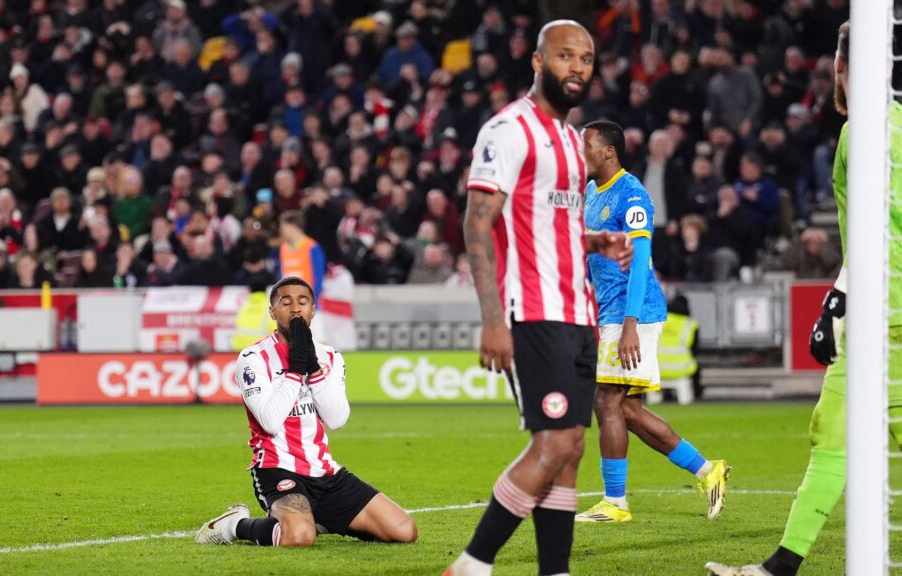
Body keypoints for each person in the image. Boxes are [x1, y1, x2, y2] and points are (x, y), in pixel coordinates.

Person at [706, 21, 902, 576]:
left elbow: (871, 232)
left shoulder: (857, 133)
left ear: (840, 67)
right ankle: (783, 566)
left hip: (876, 311)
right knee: (846, 436)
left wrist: (837, 301)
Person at [446, 20, 633, 576]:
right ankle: (472, 565)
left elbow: (557, 222)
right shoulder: (507, 130)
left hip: (579, 314)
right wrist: (492, 321)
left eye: (586, 58)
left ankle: (555, 570)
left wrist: (595, 240)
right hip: (531, 312)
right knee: (553, 444)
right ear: (537, 61)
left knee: (572, 448)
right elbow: (478, 223)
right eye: (565, 55)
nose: (577, 67)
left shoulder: (575, 145)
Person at [574, 120, 729, 524]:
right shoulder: (591, 192)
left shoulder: (632, 194)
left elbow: (641, 259)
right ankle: (707, 470)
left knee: (606, 400)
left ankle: (615, 502)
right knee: (626, 410)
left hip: (633, 311)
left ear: (609, 151)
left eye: (586, 145)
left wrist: (630, 323)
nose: (579, 151)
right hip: (609, 310)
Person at [196, 276, 417, 547]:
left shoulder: (330, 357)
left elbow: (337, 419)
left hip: (324, 471)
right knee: (299, 537)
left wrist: (312, 368)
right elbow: (269, 421)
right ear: (273, 312)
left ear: (312, 311)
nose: (295, 308)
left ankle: (317, 518)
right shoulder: (253, 358)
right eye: (285, 302)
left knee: (404, 530)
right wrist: (296, 369)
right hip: (277, 469)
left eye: (303, 302)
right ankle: (234, 525)